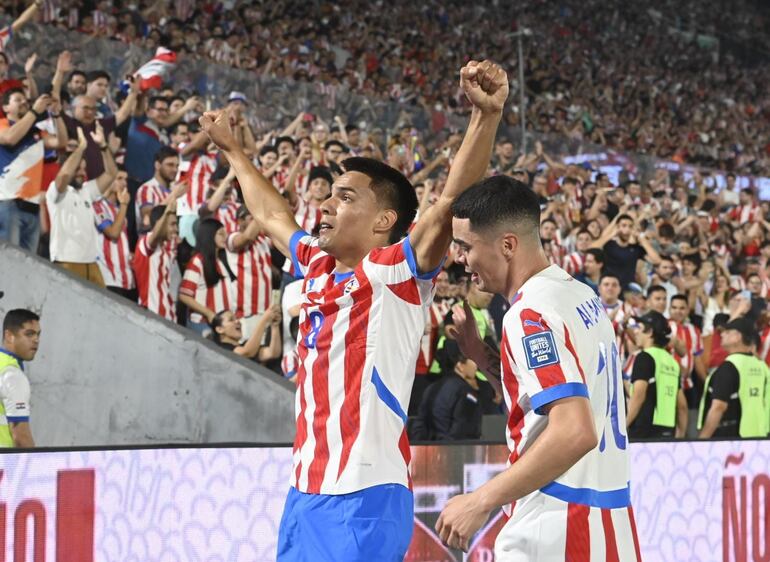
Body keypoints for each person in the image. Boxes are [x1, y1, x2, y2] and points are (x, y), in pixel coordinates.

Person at [200, 59, 508, 561]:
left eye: (344, 197)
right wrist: (233, 151)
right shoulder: (316, 264)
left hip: (365, 495)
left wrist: (485, 118)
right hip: (304, 491)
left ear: (384, 220)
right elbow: (272, 214)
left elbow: (450, 199)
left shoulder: (396, 273)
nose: (324, 204)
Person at [437, 176, 639, 558]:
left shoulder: (530, 314)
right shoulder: (580, 295)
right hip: (608, 518)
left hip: (558, 524)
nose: (459, 259)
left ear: (508, 245)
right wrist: (482, 357)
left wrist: (481, 500)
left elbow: (575, 431)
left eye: (465, 246)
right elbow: (545, 401)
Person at [47, 124, 117, 286]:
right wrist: (81, 148)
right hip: (66, 261)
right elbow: (64, 174)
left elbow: (111, 174)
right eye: (78, 169)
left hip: (92, 262)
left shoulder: (86, 190)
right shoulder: (55, 192)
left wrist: (103, 146)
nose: (82, 173)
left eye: (84, 169)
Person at [698, 317, 770, 439]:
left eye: (727, 332)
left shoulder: (729, 367)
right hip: (759, 439)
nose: (722, 335)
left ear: (737, 336)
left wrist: (702, 440)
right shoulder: (763, 367)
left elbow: (719, 407)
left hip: (731, 441)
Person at [626, 312, 688, 439]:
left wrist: (623, 426)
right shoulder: (672, 362)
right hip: (667, 432)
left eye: (640, 328)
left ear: (649, 332)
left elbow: (638, 395)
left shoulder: (644, 357)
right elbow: (682, 406)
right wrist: (680, 435)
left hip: (643, 431)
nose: (635, 332)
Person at [411, 339, 483, 441]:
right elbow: (464, 433)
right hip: (453, 453)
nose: (476, 365)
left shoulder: (431, 388)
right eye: (472, 360)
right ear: (460, 366)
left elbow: (418, 426)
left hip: (427, 452)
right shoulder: (465, 392)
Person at [179, 218, 236, 334]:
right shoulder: (197, 261)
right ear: (209, 235)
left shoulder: (220, 261)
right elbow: (184, 295)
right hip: (203, 324)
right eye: (221, 233)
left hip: (220, 324)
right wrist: (209, 313)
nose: (225, 236)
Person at [132, 198, 181, 321]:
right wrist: (166, 213)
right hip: (153, 314)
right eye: (172, 224)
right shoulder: (145, 243)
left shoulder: (164, 249)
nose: (176, 229)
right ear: (161, 222)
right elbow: (154, 235)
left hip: (169, 315)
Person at [93, 168, 136, 300]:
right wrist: (124, 205)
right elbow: (113, 233)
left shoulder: (120, 210)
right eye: (119, 179)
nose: (124, 183)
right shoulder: (98, 205)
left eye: (125, 179)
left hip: (126, 278)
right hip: (108, 277)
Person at [0, 308, 40, 448]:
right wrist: (37, 466)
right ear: (9, 336)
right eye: (29, 334)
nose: (36, 340)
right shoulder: (11, 374)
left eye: (38, 334)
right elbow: (21, 436)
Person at [210, 305, 282, 362]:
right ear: (220, 329)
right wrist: (264, 320)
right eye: (231, 320)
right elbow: (247, 352)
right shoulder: (220, 349)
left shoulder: (245, 345)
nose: (238, 321)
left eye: (237, 318)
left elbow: (272, 353)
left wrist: (274, 325)